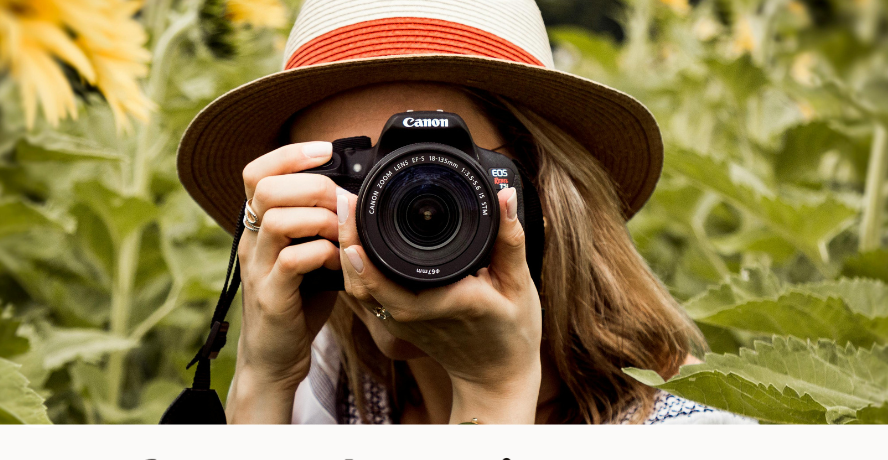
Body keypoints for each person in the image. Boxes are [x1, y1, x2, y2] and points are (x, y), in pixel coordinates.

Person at [176, 0, 751, 425]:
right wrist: (262, 376)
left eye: (443, 170)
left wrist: (492, 385)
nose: (399, 208)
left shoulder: (693, 432)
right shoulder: (331, 378)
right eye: (356, 174)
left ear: (543, 191)